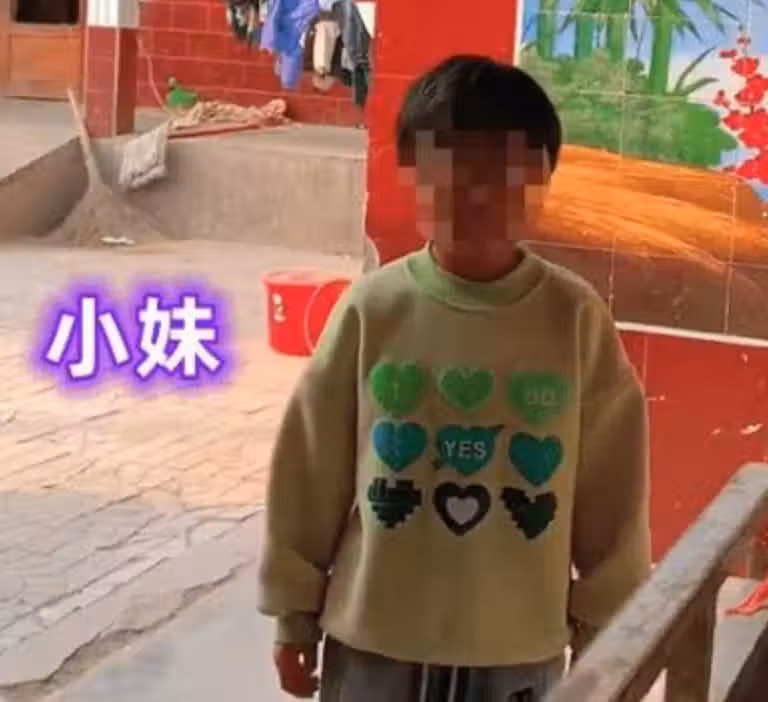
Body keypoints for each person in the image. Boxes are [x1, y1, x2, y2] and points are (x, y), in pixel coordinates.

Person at [258, 55, 652, 702]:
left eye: (501, 173)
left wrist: (604, 625)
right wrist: (293, 613)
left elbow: (614, 492)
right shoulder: (372, 309)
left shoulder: (575, 319)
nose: (474, 194)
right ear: (412, 176)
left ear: (542, 181)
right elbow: (310, 469)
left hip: (516, 651)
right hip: (375, 641)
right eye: (450, 170)